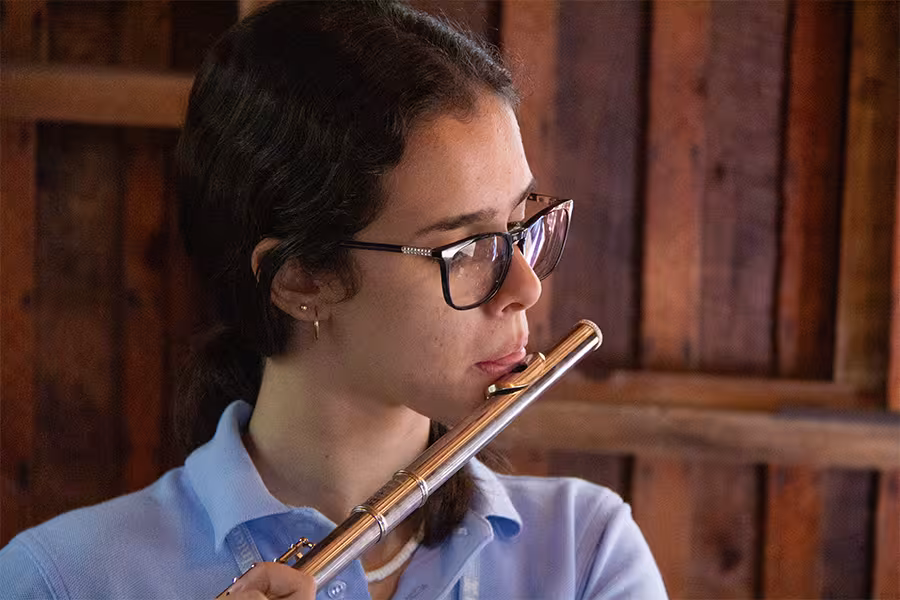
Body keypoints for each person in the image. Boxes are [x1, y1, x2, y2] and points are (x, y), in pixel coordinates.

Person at [0, 2, 668, 598]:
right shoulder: (65, 579)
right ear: (301, 281)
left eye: (522, 225)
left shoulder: (584, 554)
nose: (526, 285)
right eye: (464, 248)